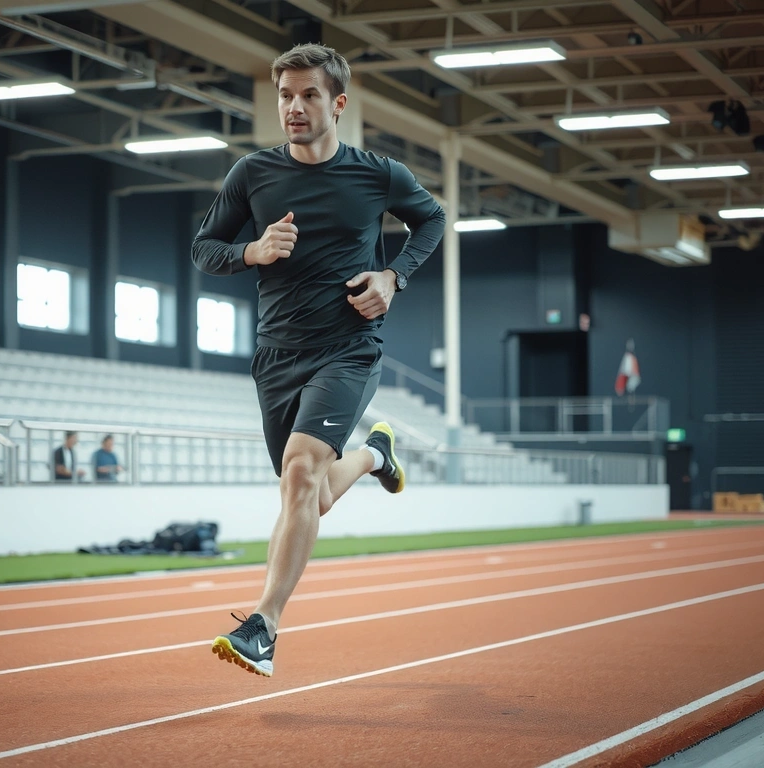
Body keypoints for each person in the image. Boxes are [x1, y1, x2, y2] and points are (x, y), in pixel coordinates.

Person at [192, 43, 445, 677]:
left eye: (308, 95)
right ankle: (373, 456)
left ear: (338, 103)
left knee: (301, 474)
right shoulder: (251, 174)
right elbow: (204, 249)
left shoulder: (378, 174)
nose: (294, 107)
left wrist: (394, 276)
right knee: (307, 489)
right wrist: (252, 252)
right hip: (276, 354)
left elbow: (432, 220)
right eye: (285, 95)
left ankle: (264, 626)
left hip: (348, 348)